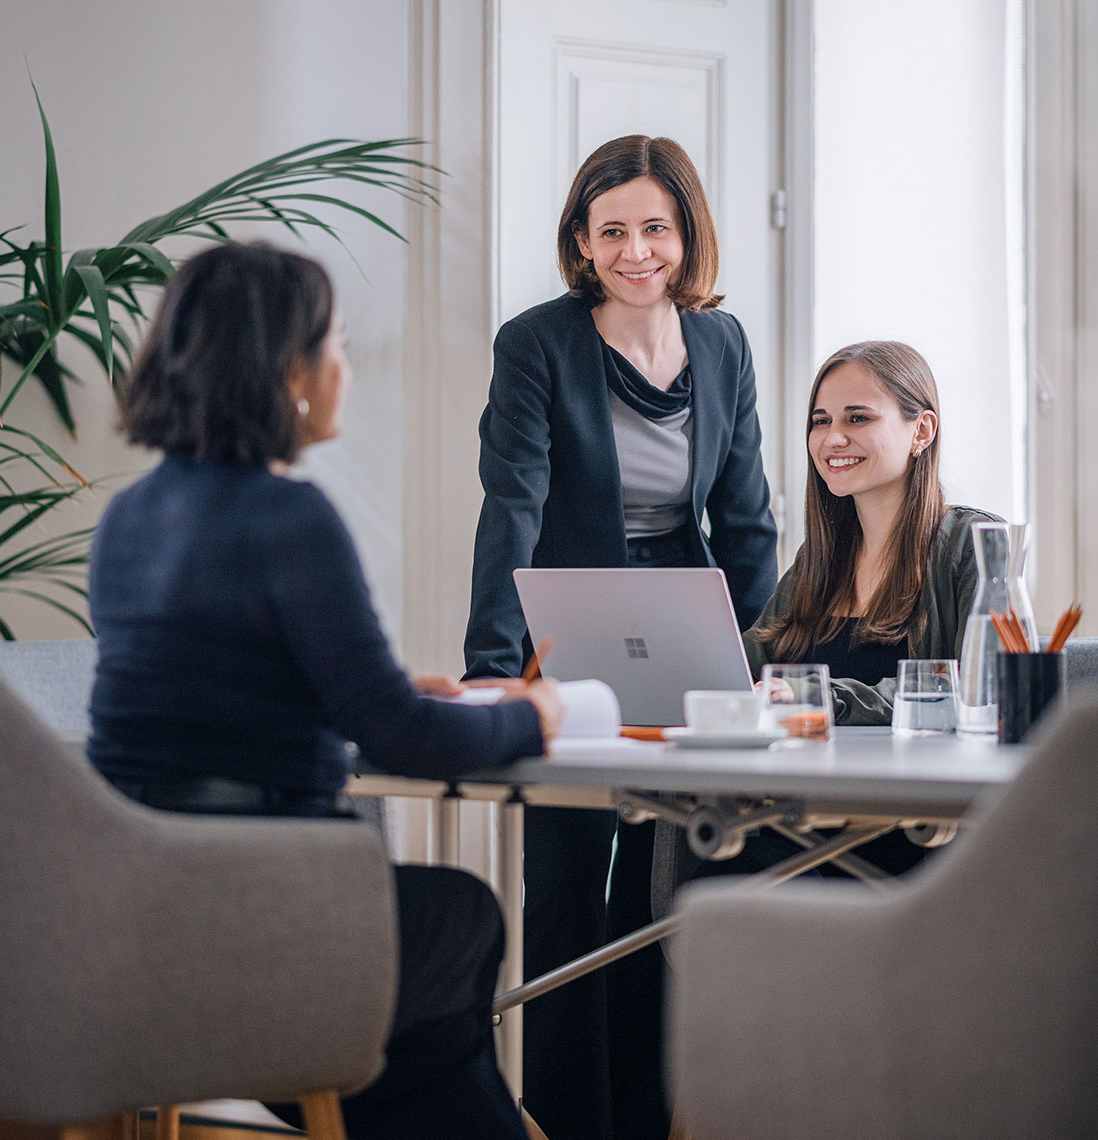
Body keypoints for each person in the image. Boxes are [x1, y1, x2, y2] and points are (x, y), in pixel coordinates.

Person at [86, 241, 563, 1140]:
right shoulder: (288, 516)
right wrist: (529, 714)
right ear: (290, 371)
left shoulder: (131, 515)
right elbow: (408, 740)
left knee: (422, 1036)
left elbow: (210, 707)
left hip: (142, 916)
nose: (346, 371)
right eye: (338, 346)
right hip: (270, 912)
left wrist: (350, 693)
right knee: (463, 917)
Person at [463, 135, 778, 1140]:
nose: (636, 249)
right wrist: (488, 666)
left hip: (686, 632)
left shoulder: (723, 347)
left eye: (655, 227)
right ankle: (562, 1119)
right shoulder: (538, 343)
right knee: (562, 885)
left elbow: (748, 518)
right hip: (568, 621)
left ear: (687, 235)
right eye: (613, 231)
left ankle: (640, 1120)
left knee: (658, 886)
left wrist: (759, 660)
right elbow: (511, 504)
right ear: (582, 242)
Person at [653, 339, 1002, 911]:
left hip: (907, 839)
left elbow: (975, 692)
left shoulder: (972, 546)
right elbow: (742, 666)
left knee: (729, 883)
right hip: (791, 821)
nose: (832, 438)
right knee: (698, 863)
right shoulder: (821, 558)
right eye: (821, 421)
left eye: (857, 418)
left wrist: (818, 700)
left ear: (922, 432)